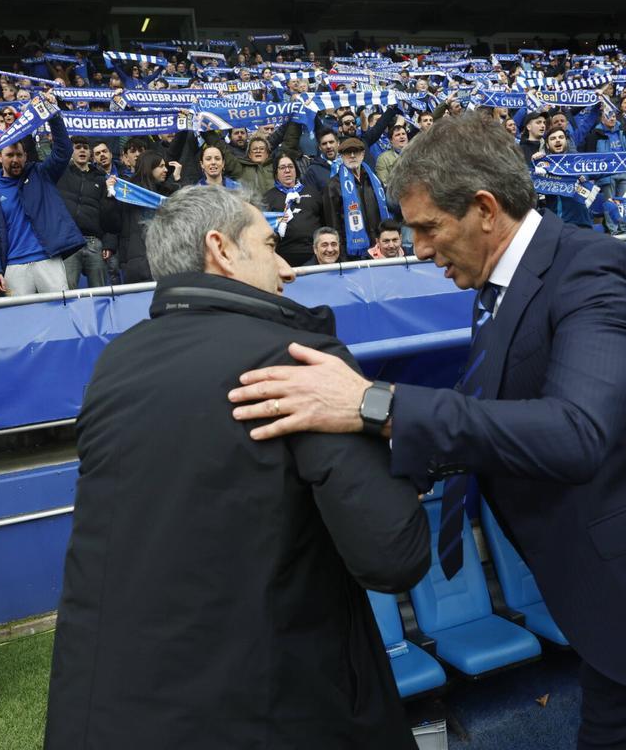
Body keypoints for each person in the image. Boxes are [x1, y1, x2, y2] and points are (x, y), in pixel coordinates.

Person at [227, 113, 626, 750]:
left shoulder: (593, 272)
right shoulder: (503, 285)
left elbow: (574, 430)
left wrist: (377, 405)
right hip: (619, 592)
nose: (421, 249)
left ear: (485, 209)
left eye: (429, 228)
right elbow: (492, 411)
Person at [44, 185, 429, 749]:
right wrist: (403, 469)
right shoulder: (297, 357)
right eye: (272, 246)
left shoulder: (114, 364)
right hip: (274, 709)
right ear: (221, 249)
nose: (287, 269)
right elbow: (395, 554)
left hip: (115, 711)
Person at [0, 95, 86, 296]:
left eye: (20, 155)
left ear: (26, 156)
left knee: (60, 314)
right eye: (10, 155)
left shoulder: (41, 174)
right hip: (13, 265)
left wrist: (53, 116)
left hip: (48, 259)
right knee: (22, 322)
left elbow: (63, 151)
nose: (16, 159)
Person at [322, 136, 393, 259]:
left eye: (356, 152)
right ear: (342, 156)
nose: (353, 155)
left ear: (363, 154)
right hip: (352, 253)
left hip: (380, 248)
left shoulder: (374, 180)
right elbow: (333, 224)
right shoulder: (333, 185)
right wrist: (342, 255)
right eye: (348, 152)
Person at [55, 136, 109, 289]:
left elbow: (108, 212)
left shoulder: (101, 178)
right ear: (71, 151)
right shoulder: (60, 173)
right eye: (78, 147)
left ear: (90, 153)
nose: (82, 150)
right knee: (68, 294)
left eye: (85, 147)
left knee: (101, 294)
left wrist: (109, 243)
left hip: (94, 242)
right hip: (69, 242)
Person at [263, 152, 325, 266]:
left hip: (314, 254)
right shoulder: (268, 198)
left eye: (290, 167)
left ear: (296, 170)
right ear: (276, 173)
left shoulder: (312, 192)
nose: (287, 170)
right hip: (282, 257)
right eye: (282, 168)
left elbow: (325, 221)